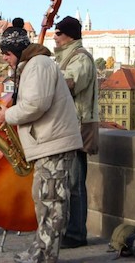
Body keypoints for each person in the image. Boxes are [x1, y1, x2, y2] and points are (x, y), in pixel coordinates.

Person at [0, 18, 83, 263]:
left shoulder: (38, 65)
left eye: (6, 53)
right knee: (43, 201)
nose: (4, 58)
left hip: (54, 143)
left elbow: (36, 104)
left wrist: (7, 115)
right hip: (47, 144)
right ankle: (39, 250)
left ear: (17, 51)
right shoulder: (33, 65)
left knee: (52, 203)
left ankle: (46, 256)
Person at [53, 16, 99, 249]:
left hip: (78, 126)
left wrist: (45, 77)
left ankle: (77, 233)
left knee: (75, 184)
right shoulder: (66, 57)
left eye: (58, 33)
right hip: (69, 125)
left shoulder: (80, 58)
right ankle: (70, 229)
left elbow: (69, 83)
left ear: (69, 35)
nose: (55, 37)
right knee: (69, 182)